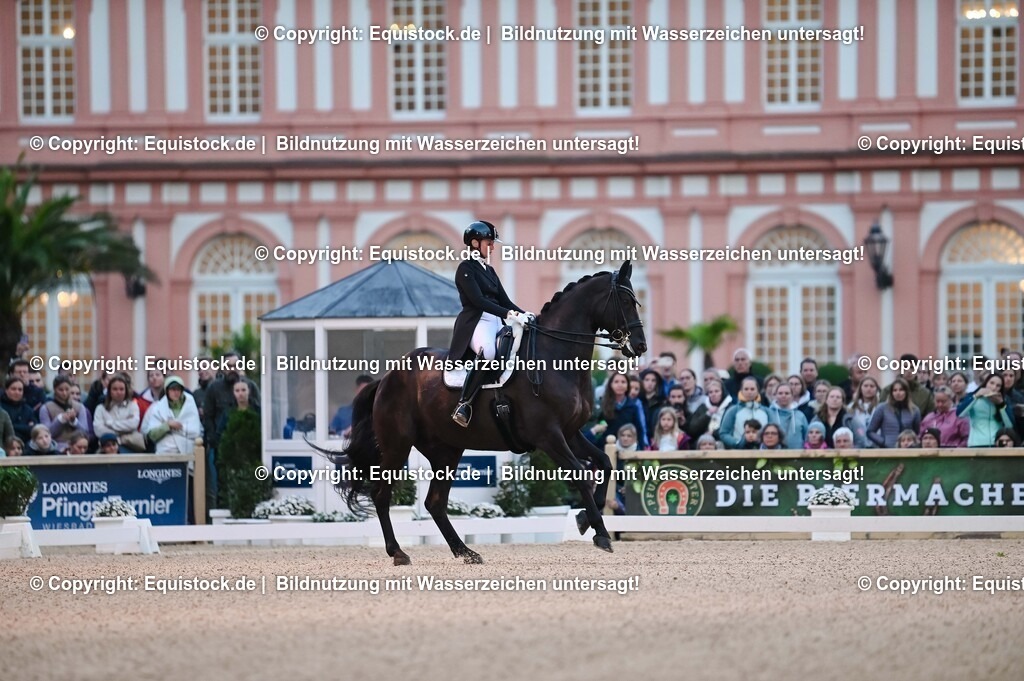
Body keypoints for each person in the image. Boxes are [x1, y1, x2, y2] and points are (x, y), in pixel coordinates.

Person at [448, 220, 532, 427]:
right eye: (489, 243)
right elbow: (478, 301)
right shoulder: (465, 268)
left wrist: (526, 315)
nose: (493, 247)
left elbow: (505, 300)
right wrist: (510, 314)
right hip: (477, 320)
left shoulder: (490, 271)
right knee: (488, 354)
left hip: (496, 319)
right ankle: (464, 404)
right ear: (475, 243)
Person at [142, 376, 202, 454]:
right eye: (173, 389)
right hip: (165, 452)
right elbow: (152, 434)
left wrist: (174, 430)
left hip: (187, 451)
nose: (176, 392)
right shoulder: (158, 408)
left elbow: (195, 431)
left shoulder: (190, 404)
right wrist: (167, 426)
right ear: (167, 391)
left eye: (178, 389)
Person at [957, 372, 1014, 447]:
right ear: (986, 383)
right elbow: (959, 414)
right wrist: (976, 396)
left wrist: (1001, 405)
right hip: (976, 443)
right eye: (991, 383)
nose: (994, 387)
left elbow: (1009, 425)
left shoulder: (1003, 400)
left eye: (998, 386)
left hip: (995, 443)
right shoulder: (972, 396)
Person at [38, 375, 92, 453]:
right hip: (55, 448)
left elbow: (85, 433)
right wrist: (60, 420)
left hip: (78, 448)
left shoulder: (79, 407)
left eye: (67, 389)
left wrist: (74, 421)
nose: (64, 393)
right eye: (60, 390)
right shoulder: (46, 408)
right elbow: (46, 434)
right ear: (55, 390)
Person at [93, 374, 145, 452]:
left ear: (126, 390)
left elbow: (133, 424)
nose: (118, 392)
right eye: (115, 389)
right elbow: (98, 430)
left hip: (130, 446)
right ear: (109, 390)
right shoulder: (100, 408)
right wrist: (119, 436)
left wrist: (110, 424)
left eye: (121, 389)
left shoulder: (133, 406)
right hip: (106, 448)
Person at [867, 378, 921, 448]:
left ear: (906, 392)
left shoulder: (914, 410)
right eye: (895, 390)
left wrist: (911, 443)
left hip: (907, 450)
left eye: (901, 390)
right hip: (888, 450)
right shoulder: (882, 408)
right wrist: (883, 442)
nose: (898, 393)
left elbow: (916, 432)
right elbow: (870, 432)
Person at [718, 376, 769, 449]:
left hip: (763, 451)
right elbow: (723, 433)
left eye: (752, 389)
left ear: (758, 390)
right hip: (740, 453)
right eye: (746, 389)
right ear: (741, 391)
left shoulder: (766, 411)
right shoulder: (733, 410)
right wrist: (737, 442)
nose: (749, 392)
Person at [766, 383, 808, 450]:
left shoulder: (800, 415)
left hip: (797, 456)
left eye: (787, 393)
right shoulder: (769, 413)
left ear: (792, 396)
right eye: (780, 393)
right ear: (775, 395)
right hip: (774, 455)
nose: (783, 396)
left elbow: (806, 436)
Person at [1, 377, 36, 442]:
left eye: (20, 390)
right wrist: (25, 427)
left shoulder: (28, 409)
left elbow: (33, 430)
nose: (17, 392)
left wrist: (13, 426)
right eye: (13, 389)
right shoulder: (1, 408)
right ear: (6, 390)